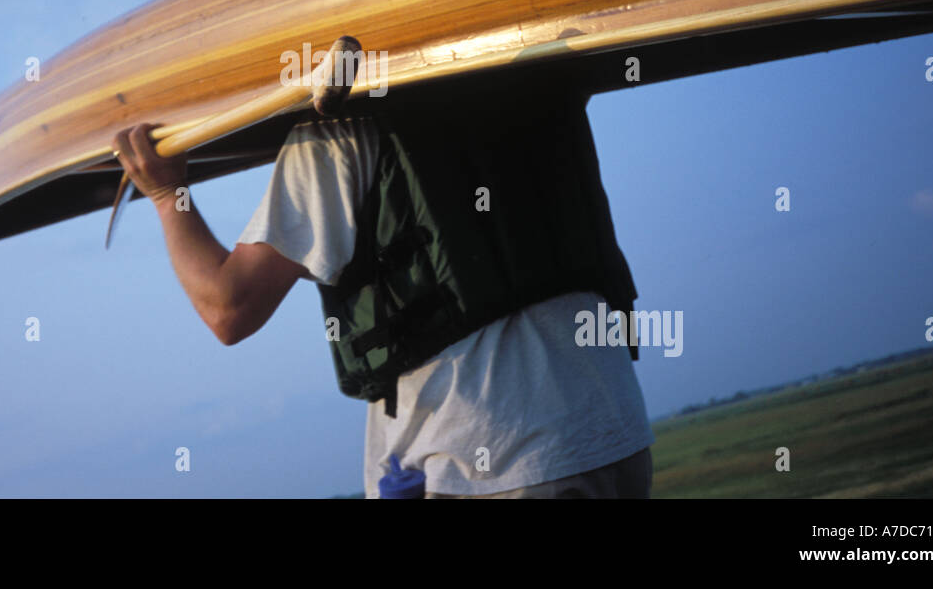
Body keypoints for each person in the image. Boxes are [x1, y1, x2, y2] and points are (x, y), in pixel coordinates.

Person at [114, 72, 654, 498]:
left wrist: (167, 196)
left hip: (493, 462)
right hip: (617, 438)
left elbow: (229, 307)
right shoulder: (537, 79)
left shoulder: (337, 129)